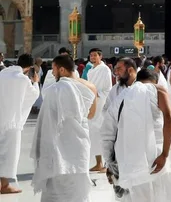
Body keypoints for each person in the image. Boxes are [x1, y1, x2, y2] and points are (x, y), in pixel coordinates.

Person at [102, 65, 171, 201]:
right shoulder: (157, 90)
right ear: (154, 80)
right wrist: (165, 154)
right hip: (154, 153)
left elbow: (107, 132)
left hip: (127, 156)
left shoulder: (121, 97)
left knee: (138, 195)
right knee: (162, 192)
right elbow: (169, 119)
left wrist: (109, 164)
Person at [31, 55, 97, 202]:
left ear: (62, 69)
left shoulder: (55, 89)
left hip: (57, 144)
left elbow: (46, 120)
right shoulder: (90, 87)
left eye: (53, 69)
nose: (53, 73)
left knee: (56, 184)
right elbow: (91, 115)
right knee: (78, 182)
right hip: (80, 142)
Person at [0, 53, 40, 194]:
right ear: (29, 67)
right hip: (12, 122)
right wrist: (35, 82)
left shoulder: (2, 74)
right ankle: (4, 185)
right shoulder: (23, 80)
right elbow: (32, 96)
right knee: (9, 154)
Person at [86, 48, 113, 173]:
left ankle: (107, 163)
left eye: (95, 55)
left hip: (101, 104)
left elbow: (107, 88)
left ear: (100, 56)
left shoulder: (104, 69)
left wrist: (97, 95)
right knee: (93, 133)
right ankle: (99, 163)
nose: (92, 57)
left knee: (103, 133)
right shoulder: (91, 70)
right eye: (91, 55)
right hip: (92, 103)